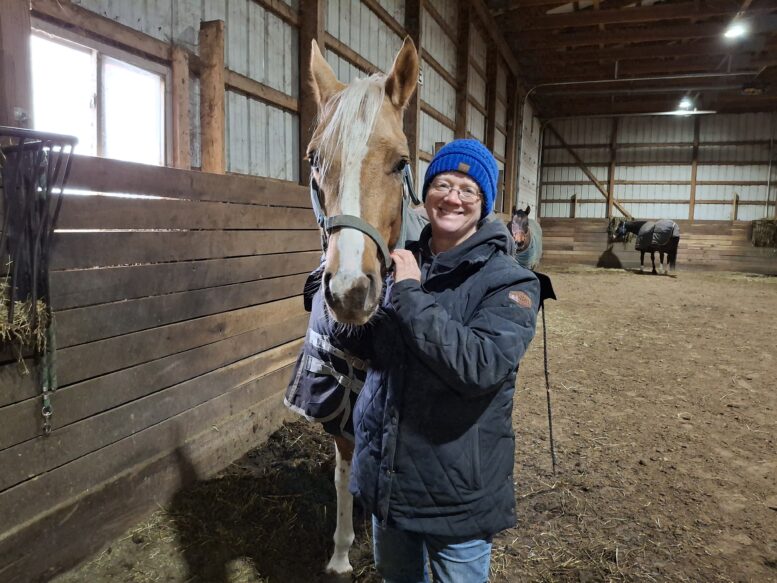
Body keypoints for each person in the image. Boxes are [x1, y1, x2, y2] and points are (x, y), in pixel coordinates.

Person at [337, 139, 540, 582]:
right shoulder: (399, 261)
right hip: (388, 480)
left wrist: (408, 293)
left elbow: (479, 365)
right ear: (425, 193)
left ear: (484, 203)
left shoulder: (510, 281)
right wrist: (338, 295)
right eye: (443, 184)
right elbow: (369, 350)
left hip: (456, 495)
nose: (452, 197)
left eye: (468, 190)